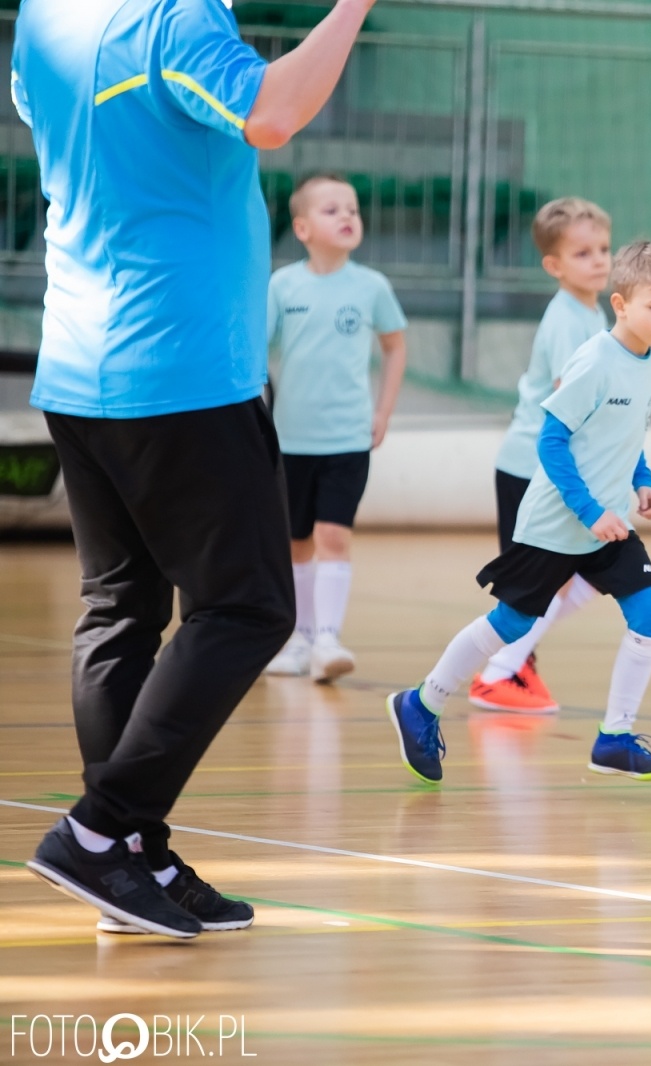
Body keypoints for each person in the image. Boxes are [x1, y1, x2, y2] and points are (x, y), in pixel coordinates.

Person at [14, 0, 376, 938]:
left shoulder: (45, 17)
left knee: (120, 610)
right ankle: (99, 831)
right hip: (179, 370)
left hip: (79, 361)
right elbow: (271, 113)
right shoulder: (172, 19)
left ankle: (131, 856)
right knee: (249, 606)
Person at [386, 241, 651, 784]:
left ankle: (615, 739)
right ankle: (421, 703)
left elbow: (627, 435)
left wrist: (642, 479)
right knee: (511, 622)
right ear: (621, 305)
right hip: (557, 525)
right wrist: (590, 510)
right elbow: (551, 442)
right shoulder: (595, 361)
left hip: (607, 527)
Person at [263, 174, 407, 683]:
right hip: (291, 439)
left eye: (352, 208)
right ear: (302, 228)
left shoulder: (371, 287)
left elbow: (395, 345)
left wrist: (383, 411)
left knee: (333, 535)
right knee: (296, 543)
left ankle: (327, 639)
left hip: (348, 439)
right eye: (331, 210)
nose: (347, 216)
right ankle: (300, 639)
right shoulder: (282, 286)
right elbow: (255, 352)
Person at [471, 197, 613, 712]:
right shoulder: (567, 320)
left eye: (603, 249)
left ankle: (512, 664)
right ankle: (497, 672)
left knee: (572, 575)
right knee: (544, 581)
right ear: (554, 265)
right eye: (582, 253)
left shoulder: (592, 311)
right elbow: (572, 398)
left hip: (547, 469)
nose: (598, 261)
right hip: (533, 469)